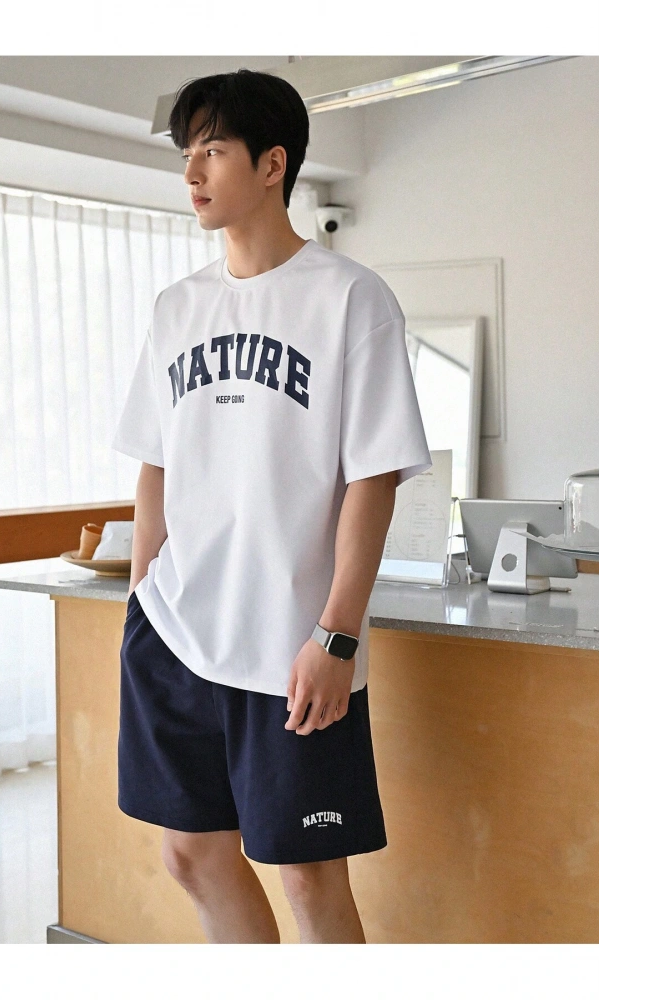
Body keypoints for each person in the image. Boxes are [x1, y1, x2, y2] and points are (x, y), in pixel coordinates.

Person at [112, 68, 431, 944]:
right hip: (176, 630)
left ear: (272, 164)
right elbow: (155, 466)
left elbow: (372, 479)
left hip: (292, 643)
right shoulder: (177, 308)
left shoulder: (350, 299)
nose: (192, 173)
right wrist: (141, 597)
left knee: (307, 873)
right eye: (187, 153)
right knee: (190, 854)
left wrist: (338, 636)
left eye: (213, 150)